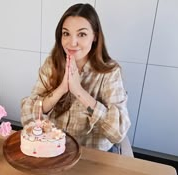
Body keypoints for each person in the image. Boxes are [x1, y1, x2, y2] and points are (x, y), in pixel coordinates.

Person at [21, 3, 131, 153]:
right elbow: (27, 116)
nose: (72, 43)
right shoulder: (52, 64)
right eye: (66, 33)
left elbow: (118, 132)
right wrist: (61, 89)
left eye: (82, 34)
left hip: (92, 155)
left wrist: (79, 91)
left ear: (95, 36)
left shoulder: (110, 72)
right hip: (55, 150)